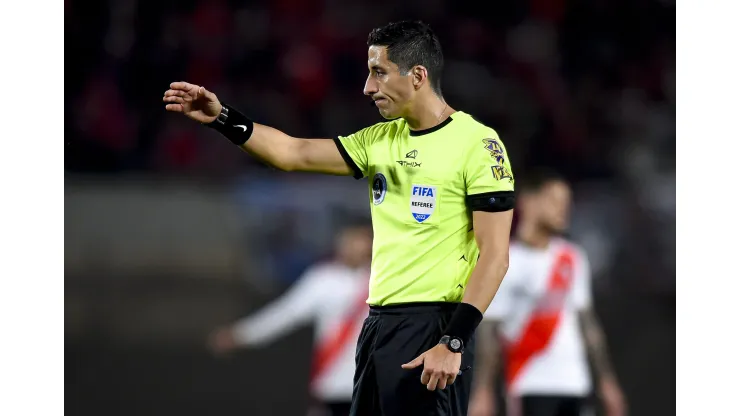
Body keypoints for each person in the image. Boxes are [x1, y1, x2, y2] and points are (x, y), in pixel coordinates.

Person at [163, 20, 515, 416]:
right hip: (378, 325)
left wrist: (453, 342)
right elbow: (292, 153)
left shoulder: (477, 144)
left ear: (418, 76)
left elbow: (495, 255)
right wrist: (222, 117)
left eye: (379, 72)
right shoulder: (379, 140)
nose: (368, 87)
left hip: (434, 326)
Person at [468, 171, 627, 416]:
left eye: (566, 203)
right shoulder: (505, 262)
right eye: (555, 201)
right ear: (529, 202)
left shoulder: (572, 257)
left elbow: (587, 324)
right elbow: (490, 331)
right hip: (530, 384)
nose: (563, 210)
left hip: (576, 383)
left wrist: (607, 381)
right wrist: (483, 389)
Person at [208, 222, 373, 416]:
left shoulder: (381, 279)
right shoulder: (324, 279)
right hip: (331, 384)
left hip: (372, 385)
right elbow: (286, 313)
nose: (354, 246)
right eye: (349, 239)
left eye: (361, 240)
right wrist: (240, 335)